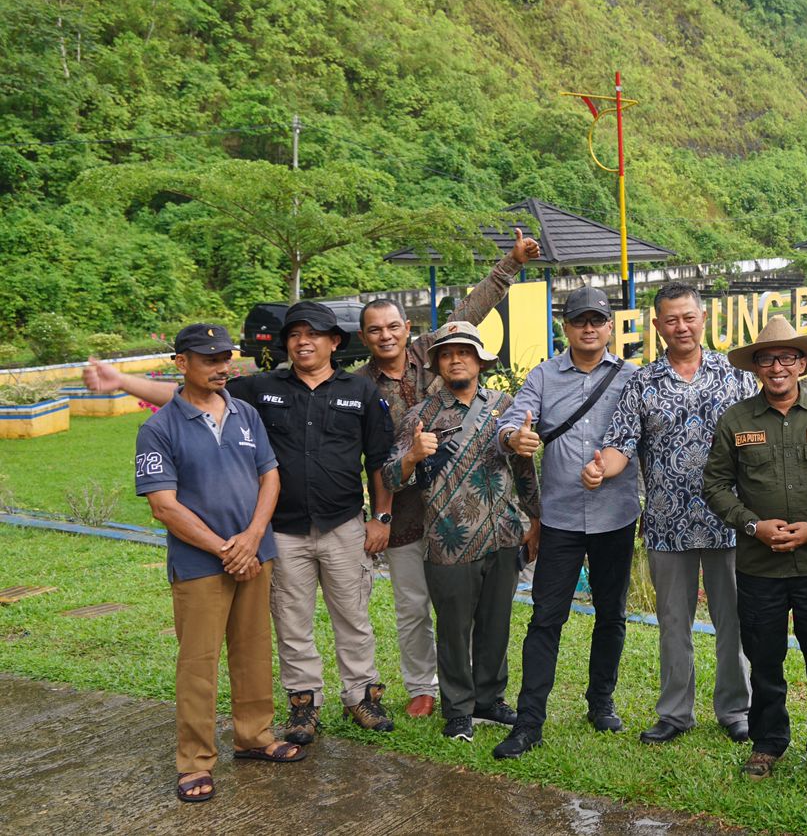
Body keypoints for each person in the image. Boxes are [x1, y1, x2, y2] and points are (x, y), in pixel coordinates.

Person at [89, 300, 397, 742]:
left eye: (313, 334)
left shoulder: (361, 392)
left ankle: (361, 697)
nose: (302, 341)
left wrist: (382, 517)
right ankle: (304, 705)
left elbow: (379, 461)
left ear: (334, 342)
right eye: (294, 334)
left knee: (353, 616)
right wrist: (120, 380)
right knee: (292, 621)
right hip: (282, 530)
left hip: (343, 525)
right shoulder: (259, 388)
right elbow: (190, 397)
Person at [357, 228, 541, 719]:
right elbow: (370, 458)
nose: (386, 335)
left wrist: (511, 263)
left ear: (408, 328)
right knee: (413, 605)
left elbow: (473, 310)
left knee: (479, 609)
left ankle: (484, 695)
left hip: (465, 508)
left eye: (394, 326)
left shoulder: (434, 354)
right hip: (402, 507)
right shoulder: (357, 386)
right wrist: (379, 512)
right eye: (375, 330)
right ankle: (423, 685)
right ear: (364, 337)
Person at [135, 323, 304, 803]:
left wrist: (251, 539)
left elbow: (269, 476)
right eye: (209, 360)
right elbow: (163, 505)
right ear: (181, 364)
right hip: (200, 565)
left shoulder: (246, 413)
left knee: (253, 653)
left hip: (255, 555)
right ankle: (194, 762)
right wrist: (224, 548)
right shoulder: (160, 427)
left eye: (225, 358)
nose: (222, 367)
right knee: (198, 663)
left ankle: (254, 737)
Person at [581, 282, 755, 744]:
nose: (681, 326)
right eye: (671, 319)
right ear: (657, 326)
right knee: (673, 623)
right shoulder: (641, 382)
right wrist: (603, 468)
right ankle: (675, 713)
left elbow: (761, 438)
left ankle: (736, 709)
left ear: (703, 319)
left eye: (688, 317)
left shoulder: (736, 375)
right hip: (666, 523)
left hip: (729, 523)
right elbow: (621, 443)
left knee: (733, 620)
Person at [702, 316, 807, 784]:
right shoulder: (736, 420)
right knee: (765, 660)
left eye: (787, 357)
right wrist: (753, 525)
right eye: (767, 359)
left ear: (802, 363)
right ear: (756, 367)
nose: (777, 367)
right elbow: (715, 485)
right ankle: (768, 743)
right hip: (758, 566)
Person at [492, 287, 641, 758]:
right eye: (580, 320)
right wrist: (516, 437)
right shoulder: (543, 375)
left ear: (610, 326)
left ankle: (601, 701)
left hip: (616, 516)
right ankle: (529, 721)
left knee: (611, 614)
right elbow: (513, 421)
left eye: (598, 319)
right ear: (567, 327)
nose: (589, 327)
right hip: (558, 518)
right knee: (545, 618)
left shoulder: (631, 378)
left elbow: (643, 434)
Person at [382, 321, 539, 742]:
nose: (456, 359)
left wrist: (535, 519)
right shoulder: (421, 416)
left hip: (503, 534)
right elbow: (390, 478)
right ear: (436, 363)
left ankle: (489, 700)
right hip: (448, 542)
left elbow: (523, 468)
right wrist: (413, 456)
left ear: (480, 361)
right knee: (453, 631)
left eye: (465, 352)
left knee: (496, 625)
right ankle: (458, 710)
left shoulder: (504, 406)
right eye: (448, 353)